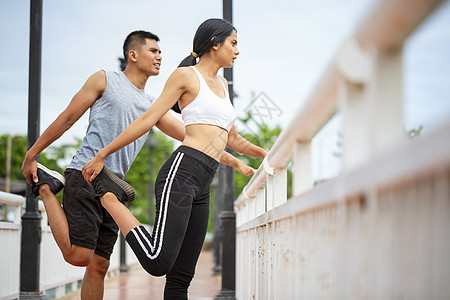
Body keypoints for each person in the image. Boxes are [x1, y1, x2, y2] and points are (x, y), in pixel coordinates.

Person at [21, 30, 253, 300]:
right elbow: (67, 118)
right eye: (153, 51)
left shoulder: (150, 105)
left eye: (160, 52)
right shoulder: (105, 80)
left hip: (113, 185)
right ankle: (49, 188)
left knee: (100, 265)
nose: (159, 57)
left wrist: (233, 160)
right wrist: (32, 154)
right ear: (133, 54)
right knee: (79, 256)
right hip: (86, 172)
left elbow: (192, 137)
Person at [82, 18, 268, 299]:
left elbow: (231, 139)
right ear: (215, 43)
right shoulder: (186, 76)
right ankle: (109, 197)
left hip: (204, 181)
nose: (237, 51)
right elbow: (148, 118)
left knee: (181, 278)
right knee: (158, 261)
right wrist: (102, 155)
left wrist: (267, 154)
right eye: (233, 43)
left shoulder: (224, 85)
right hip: (181, 173)